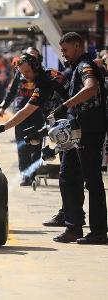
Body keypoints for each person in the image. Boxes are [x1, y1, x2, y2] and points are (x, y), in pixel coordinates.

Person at [51, 32, 107, 244]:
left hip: (88, 131)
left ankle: (99, 232)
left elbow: (91, 88)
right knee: (68, 177)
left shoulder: (85, 66)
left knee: (91, 180)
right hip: (77, 133)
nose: (64, 55)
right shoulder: (78, 67)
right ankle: (73, 228)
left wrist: (65, 106)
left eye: (65, 50)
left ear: (76, 46)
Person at [0, 47, 45, 186]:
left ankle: (32, 174)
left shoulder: (44, 75)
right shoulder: (19, 73)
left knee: (36, 145)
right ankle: (24, 175)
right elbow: (11, 91)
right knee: (22, 146)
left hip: (38, 113)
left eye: (33, 58)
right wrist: (3, 107)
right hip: (20, 113)